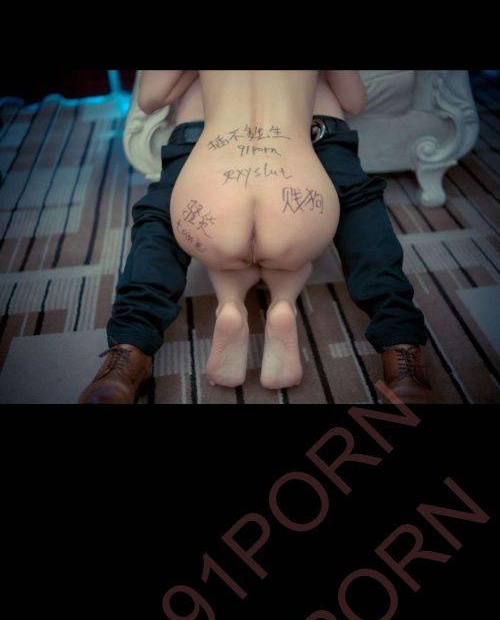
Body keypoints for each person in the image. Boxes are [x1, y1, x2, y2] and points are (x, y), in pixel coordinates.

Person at [78, 71, 432, 404]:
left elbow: (151, 97)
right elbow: (354, 100)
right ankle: (401, 349)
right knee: (358, 201)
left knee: (160, 214)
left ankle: (129, 352)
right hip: (313, 136)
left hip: (206, 138)